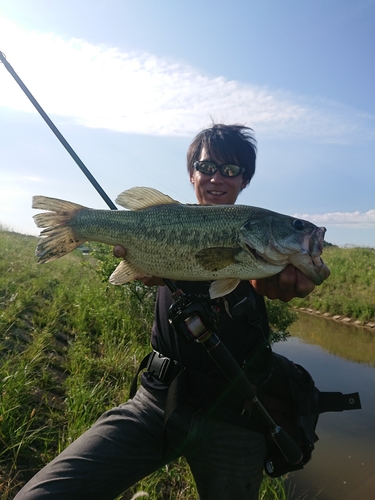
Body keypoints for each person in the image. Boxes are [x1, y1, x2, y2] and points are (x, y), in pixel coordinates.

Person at [15, 124, 316, 500]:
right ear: (192, 173)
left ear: (245, 180)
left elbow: (285, 279)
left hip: (236, 413)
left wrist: (291, 276)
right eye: (207, 167)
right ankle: (75, 222)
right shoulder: (171, 215)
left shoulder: (271, 262)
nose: (217, 177)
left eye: (231, 170)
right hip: (156, 400)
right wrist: (139, 259)